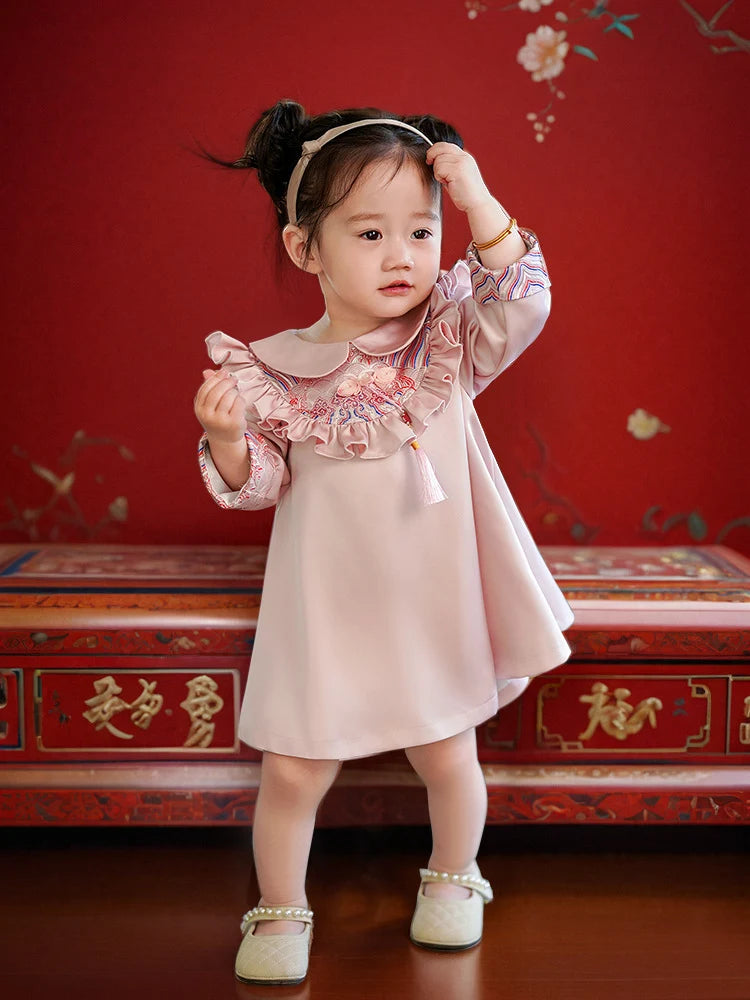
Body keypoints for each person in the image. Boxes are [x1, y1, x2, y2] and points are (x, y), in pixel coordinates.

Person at [193, 100, 574, 987]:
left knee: (448, 749)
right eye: (369, 233)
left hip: (430, 592)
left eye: (421, 229)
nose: (402, 254)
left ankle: (453, 877)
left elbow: (526, 300)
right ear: (304, 249)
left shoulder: (448, 336)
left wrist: (481, 203)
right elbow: (261, 487)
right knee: (293, 769)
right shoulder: (269, 368)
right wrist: (225, 441)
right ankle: (281, 904)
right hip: (325, 598)